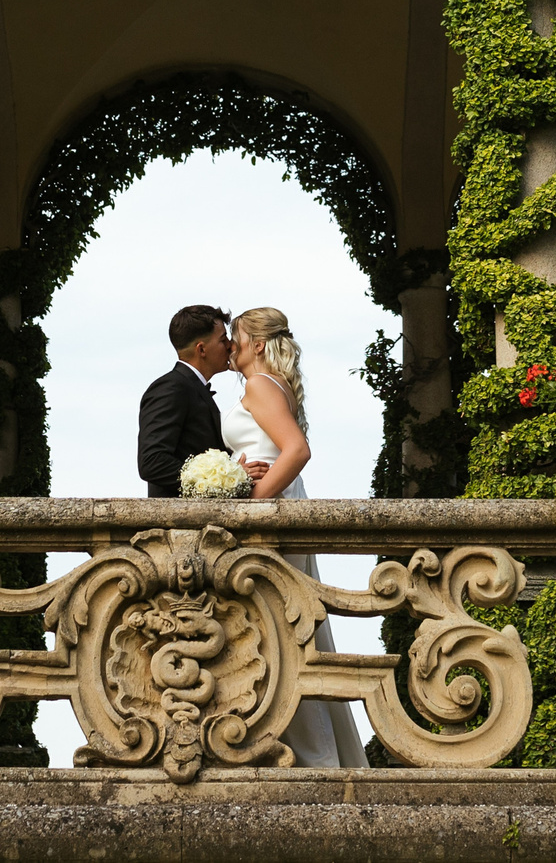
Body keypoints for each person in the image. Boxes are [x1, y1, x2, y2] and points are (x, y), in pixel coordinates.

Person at [223, 305, 364, 768]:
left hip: (274, 516)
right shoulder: (275, 384)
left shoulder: (259, 385)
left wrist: (256, 497)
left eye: (236, 336)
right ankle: (314, 747)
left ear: (257, 345)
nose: (230, 343)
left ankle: (304, 752)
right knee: (292, 630)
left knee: (277, 630)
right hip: (285, 505)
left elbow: (297, 449)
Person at [136, 304, 267, 498]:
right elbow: (152, 462)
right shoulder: (170, 388)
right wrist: (229, 479)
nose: (231, 345)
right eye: (223, 340)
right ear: (202, 349)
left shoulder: (190, 388)